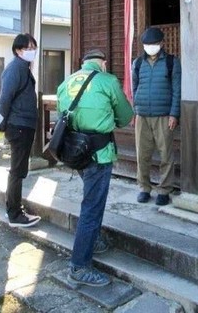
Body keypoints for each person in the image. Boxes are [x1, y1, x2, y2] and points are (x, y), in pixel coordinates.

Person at [57, 49, 134, 287]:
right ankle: (79, 266)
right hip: (99, 153)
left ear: (83, 63)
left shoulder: (66, 81)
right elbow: (125, 116)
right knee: (92, 206)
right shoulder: (107, 80)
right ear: (102, 63)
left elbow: (63, 115)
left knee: (93, 200)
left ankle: (95, 241)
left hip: (76, 151)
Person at [131, 27, 181, 206]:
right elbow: (134, 88)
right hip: (142, 115)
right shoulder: (137, 63)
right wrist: (135, 109)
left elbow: (177, 90)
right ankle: (144, 188)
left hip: (164, 115)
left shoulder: (171, 62)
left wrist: (174, 114)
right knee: (142, 154)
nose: (150, 47)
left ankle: (164, 189)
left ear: (161, 43)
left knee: (166, 154)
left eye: (153, 44)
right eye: (147, 44)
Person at [0, 33, 41, 228]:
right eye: (27, 48)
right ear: (17, 50)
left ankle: (15, 209)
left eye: (33, 47)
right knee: (17, 170)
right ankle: (14, 213)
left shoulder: (23, 67)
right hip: (19, 126)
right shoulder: (15, 69)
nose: (31, 51)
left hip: (24, 125)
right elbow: (5, 98)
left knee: (19, 169)